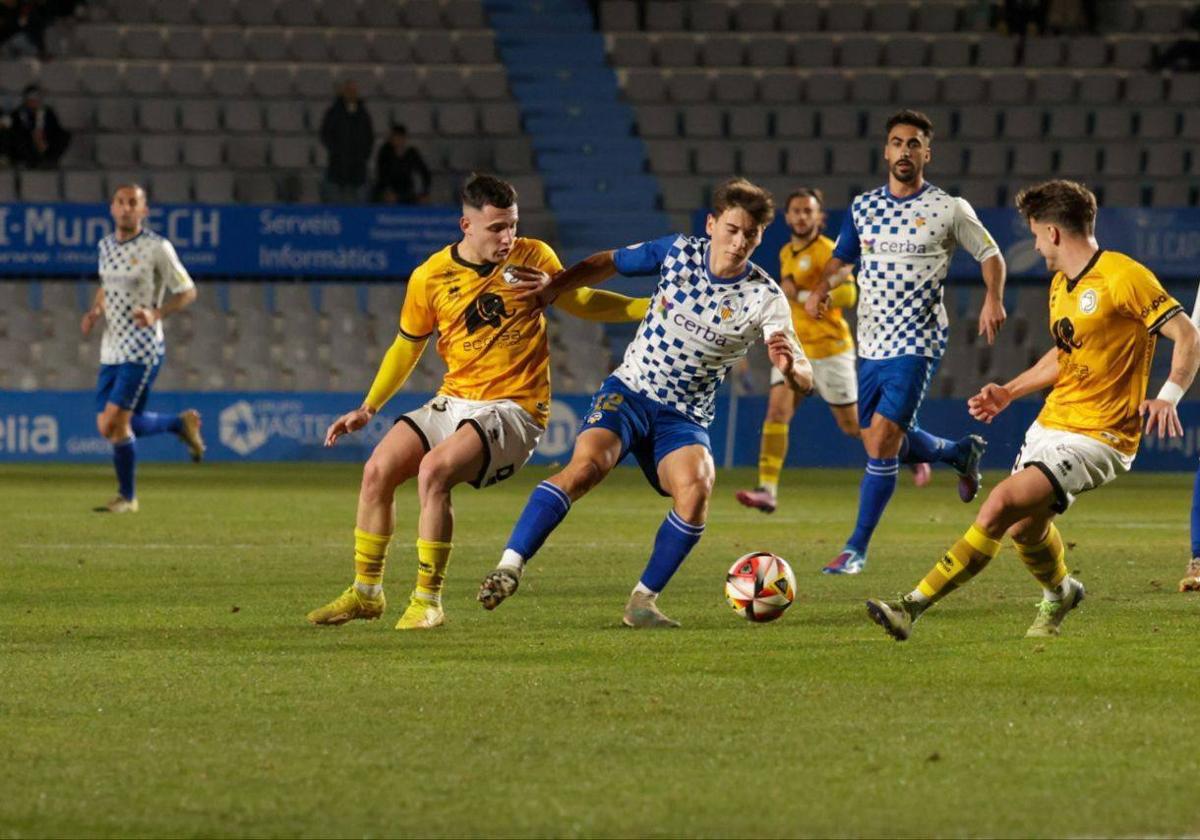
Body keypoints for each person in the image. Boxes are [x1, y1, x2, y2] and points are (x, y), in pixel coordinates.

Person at [306, 174, 647, 631]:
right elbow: (407, 346)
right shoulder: (429, 277)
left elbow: (580, 300)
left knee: (434, 471)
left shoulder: (534, 256)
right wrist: (369, 407)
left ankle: (428, 600)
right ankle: (367, 593)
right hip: (456, 400)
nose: (507, 238)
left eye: (512, 225)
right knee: (377, 470)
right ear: (465, 224)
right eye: (495, 228)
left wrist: (646, 307)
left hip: (515, 409)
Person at [865, 179, 1200, 641]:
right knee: (1025, 528)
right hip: (1052, 424)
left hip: (1100, 435)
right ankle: (1062, 592)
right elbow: (1065, 355)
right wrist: (1009, 391)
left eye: (1036, 233)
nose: (1036, 244)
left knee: (1000, 503)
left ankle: (911, 606)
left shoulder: (1125, 277)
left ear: (1053, 232)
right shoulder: (1062, 284)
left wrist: (1168, 395)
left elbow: (1188, 334)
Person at [476, 178, 813, 628]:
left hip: (684, 417)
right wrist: (554, 287)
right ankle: (509, 567)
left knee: (697, 490)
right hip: (631, 392)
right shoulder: (677, 252)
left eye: (750, 235)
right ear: (712, 224)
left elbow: (806, 379)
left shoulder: (765, 298)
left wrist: (791, 370)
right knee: (585, 468)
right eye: (732, 229)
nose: (739, 242)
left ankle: (642, 601)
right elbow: (607, 262)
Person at [805, 109, 1007, 575]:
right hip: (870, 341)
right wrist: (820, 289)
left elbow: (991, 254)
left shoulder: (949, 208)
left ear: (926, 154)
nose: (904, 151)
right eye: (897, 142)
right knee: (876, 437)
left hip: (917, 340)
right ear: (886, 151)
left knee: (881, 444)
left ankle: (856, 548)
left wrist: (992, 299)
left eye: (914, 144)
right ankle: (958, 453)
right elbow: (841, 259)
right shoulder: (863, 207)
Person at [736, 187, 930, 515]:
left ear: (820, 218)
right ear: (787, 217)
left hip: (830, 351)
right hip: (796, 349)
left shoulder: (830, 251)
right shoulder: (786, 253)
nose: (801, 216)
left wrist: (800, 296)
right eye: (795, 210)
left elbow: (849, 295)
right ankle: (767, 490)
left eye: (807, 211)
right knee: (776, 414)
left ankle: (913, 449)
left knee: (855, 427)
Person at [82, 184, 206, 514]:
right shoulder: (105, 246)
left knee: (114, 424)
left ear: (144, 210)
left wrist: (156, 313)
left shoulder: (156, 248)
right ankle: (178, 424)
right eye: (121, 202)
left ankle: (127, 498)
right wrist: (95, 312)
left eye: (133, 203)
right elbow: (106, 287)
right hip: (111, 347)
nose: (126, 208)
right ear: (112, 208)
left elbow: (187, 291)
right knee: (111, 426)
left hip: (142, 347)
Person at [319, 80, 373, 204]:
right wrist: (337, 152)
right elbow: (325, 134)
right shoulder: (333, 112)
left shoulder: (363, 114)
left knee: (359, 211)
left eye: (353, 91)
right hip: (337, 170)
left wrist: (363, 155)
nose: (351, 94)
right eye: (348, 91)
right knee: (337, 210)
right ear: (343, 93)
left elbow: (369, 138)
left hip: (359, 171)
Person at [9, 84, 69, 168]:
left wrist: (43, 138)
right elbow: (14, 132)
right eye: (30, 99)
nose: (33, 101)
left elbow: (56, 129)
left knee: (64, 135)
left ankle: (49, 160)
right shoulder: (17, 114)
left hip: (45, 143)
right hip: (26, 146)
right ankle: (29, 161)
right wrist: (32, 136)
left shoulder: (48, 113)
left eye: (36, 98)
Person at [373, 123, 431, 205]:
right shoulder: (385, 154)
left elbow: (425, 173)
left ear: (404, 138)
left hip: (407, 192)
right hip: (389, 190)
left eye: (399, 137)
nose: (397, 140)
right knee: (384, 198)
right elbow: (382, 176)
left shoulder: (412, 154)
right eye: (394, 137)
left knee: (422, 201)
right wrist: (388, 191)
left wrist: (425, 192)